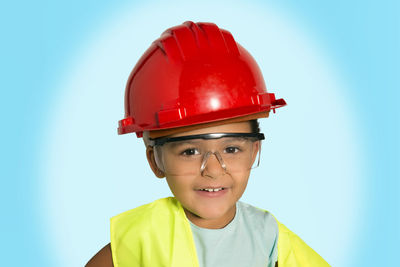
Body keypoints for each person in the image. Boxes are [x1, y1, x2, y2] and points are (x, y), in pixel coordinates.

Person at [86, 21, 330, 267]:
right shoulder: (141, 238)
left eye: (231, 149)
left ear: (254, 150)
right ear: (155, 161)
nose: (213, 170)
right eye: (190, 151)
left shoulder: (268, 236)